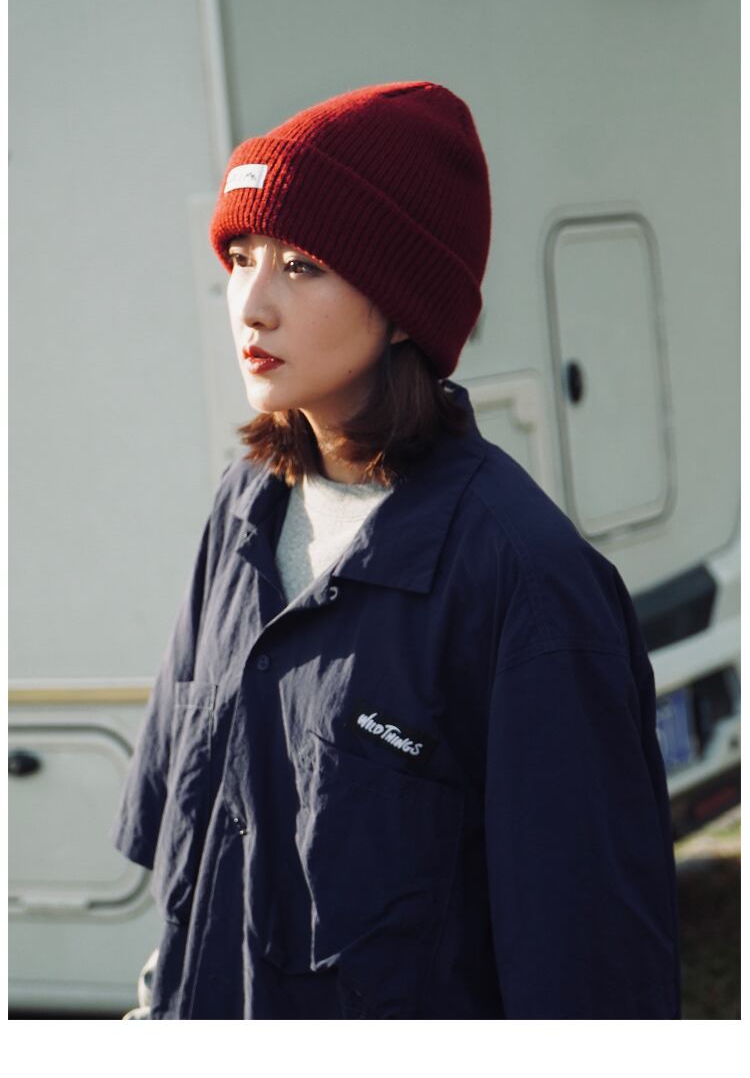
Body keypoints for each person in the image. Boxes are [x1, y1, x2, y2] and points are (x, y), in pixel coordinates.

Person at [112, 81, 681, 1020]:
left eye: (302, 265)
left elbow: (589, 982)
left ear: (406, 307)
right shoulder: (243, 510)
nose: (251, 305)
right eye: (242, 257)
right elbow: (192, 861)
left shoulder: (526, 585)